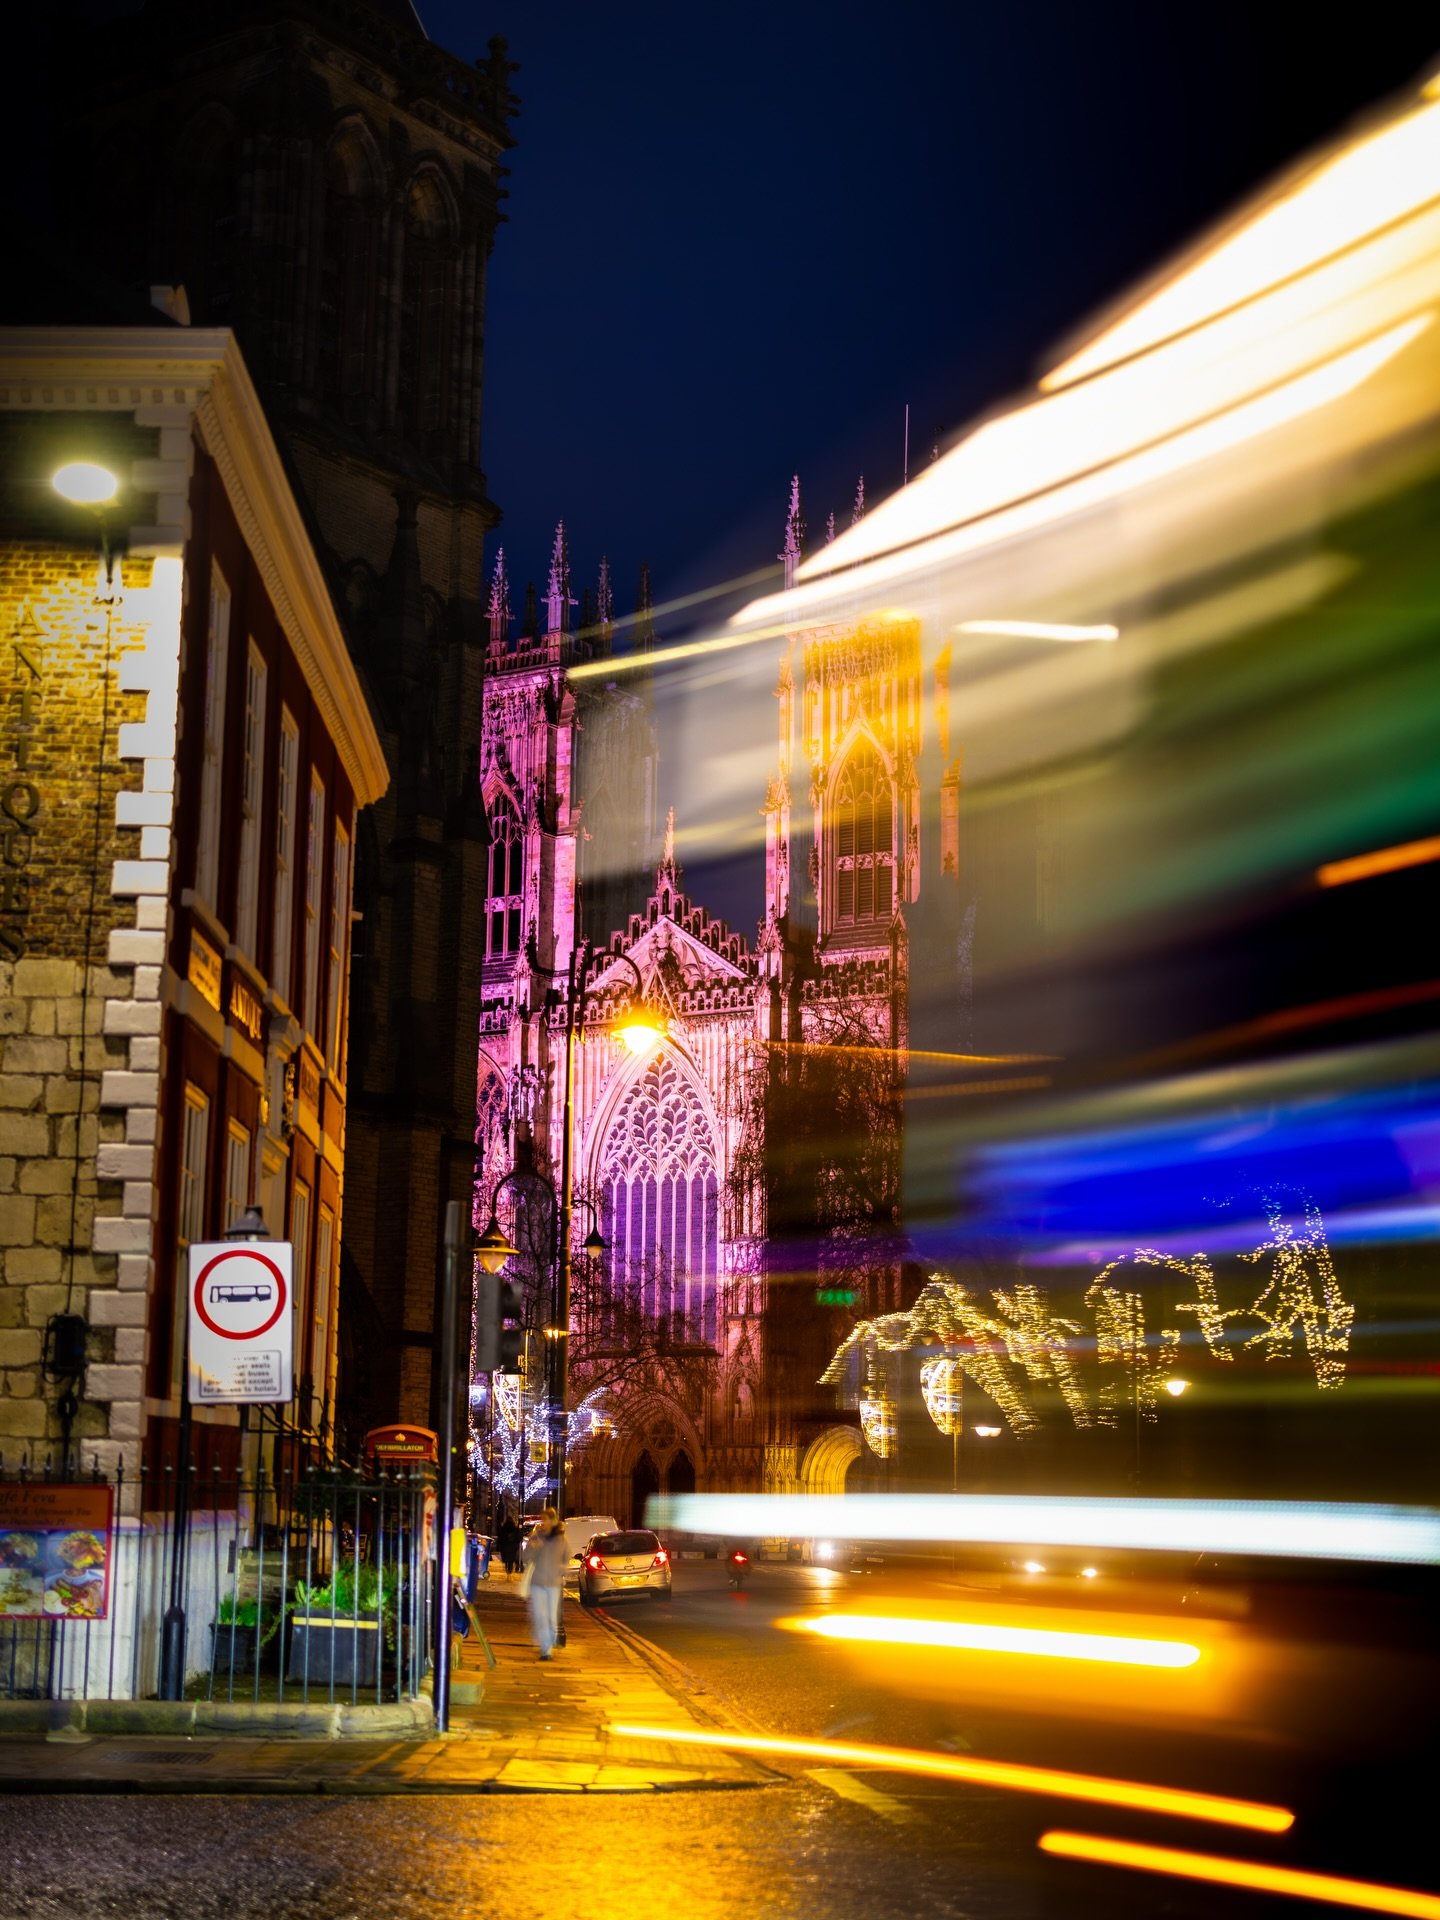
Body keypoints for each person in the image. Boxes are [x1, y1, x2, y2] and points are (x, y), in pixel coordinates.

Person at [522, 1506, 567, 1660]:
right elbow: (525, 1558)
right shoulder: (536, 1537)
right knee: (541, 1616)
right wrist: (533, 1548)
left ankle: (549, 1641)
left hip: (553, 1583)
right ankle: (546, 1650)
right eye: (543, 1520)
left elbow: (567, 1558)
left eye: (546, 1520)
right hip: (538, 1582)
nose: (544, 1523)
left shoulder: (561, 1539)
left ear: (553, 1521)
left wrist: (561, 1570)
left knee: (551, 1618)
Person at [496, 1509, 522, 1578]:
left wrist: (500, 1545)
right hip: (512, 1547)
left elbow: (500, 1537)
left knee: (507, 1561)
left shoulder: (503, 1528)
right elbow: (519, 1538)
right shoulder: (515, 1528)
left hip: (505, 1547)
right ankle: (509, 1573)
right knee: (510, 1561)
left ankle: (508, 1572)